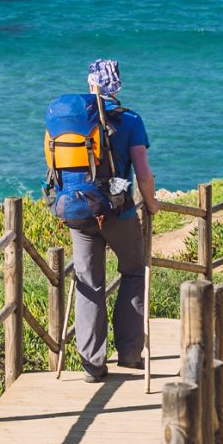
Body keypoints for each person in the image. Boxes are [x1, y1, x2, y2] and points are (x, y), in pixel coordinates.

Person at [70, 58, 158, 382]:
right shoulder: (131, 120)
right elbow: (143, 173)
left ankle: (92, 364)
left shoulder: (74, 122)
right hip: (118, 212)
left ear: (91, 83)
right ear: (117, 85)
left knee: (88, 284)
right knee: (134, 272)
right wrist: (151, 204)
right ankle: (130, 354)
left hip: (78, 211)